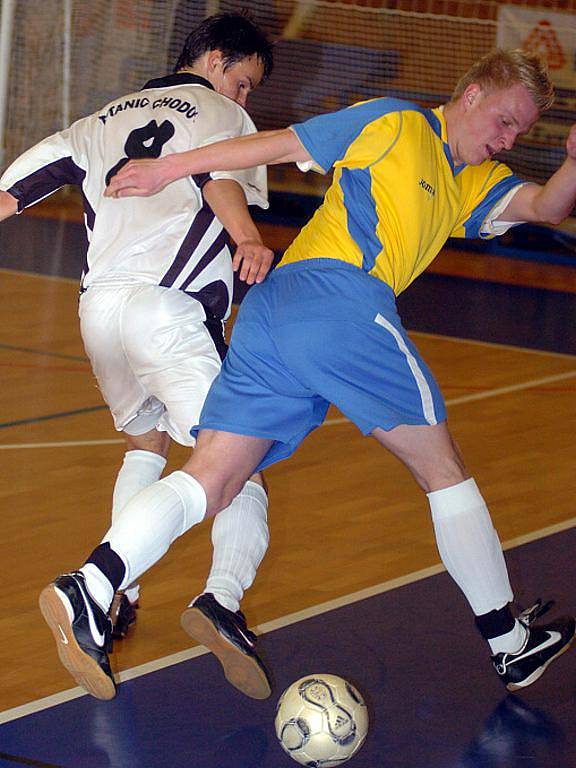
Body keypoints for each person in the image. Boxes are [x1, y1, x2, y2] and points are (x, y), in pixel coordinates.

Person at [47, 49, 576, 701]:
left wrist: (574, 163)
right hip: (340, 298)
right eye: (504, 120)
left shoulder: (471, 181)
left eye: (519, 132)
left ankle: (92, 584)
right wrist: (172, 168)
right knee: (442, 470)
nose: (507, 139)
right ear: (469, 95)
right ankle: (508, 643)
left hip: (274, 316)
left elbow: (548, 207)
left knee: (213, 475)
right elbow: (282, 143)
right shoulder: (398, 124)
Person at [0, 12, 276, 700]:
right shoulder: (221, 115)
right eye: (243, 83)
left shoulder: (99, 118)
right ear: (213, 58)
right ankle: (221, 599)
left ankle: (119, 599)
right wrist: (247, 237)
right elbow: (218, 177)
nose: (244, 100)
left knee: (148, 443)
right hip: (167, 310)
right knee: (241, 460)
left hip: (99, 316)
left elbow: (13, 191)